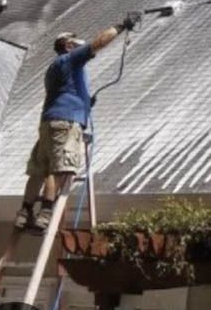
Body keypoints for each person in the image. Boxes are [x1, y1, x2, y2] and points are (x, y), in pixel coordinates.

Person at [15, 12, 141, 232]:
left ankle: (25, 212)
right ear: (67, 45)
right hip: (65, 124)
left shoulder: (55, 68)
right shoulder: (70, 59)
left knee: (38, 170)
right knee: (58, 169)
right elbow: (98, 43)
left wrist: (84, 103)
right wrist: (122, 26)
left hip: (49, 123)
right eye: (75, 41)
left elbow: (65, 92)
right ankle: (46, 213)